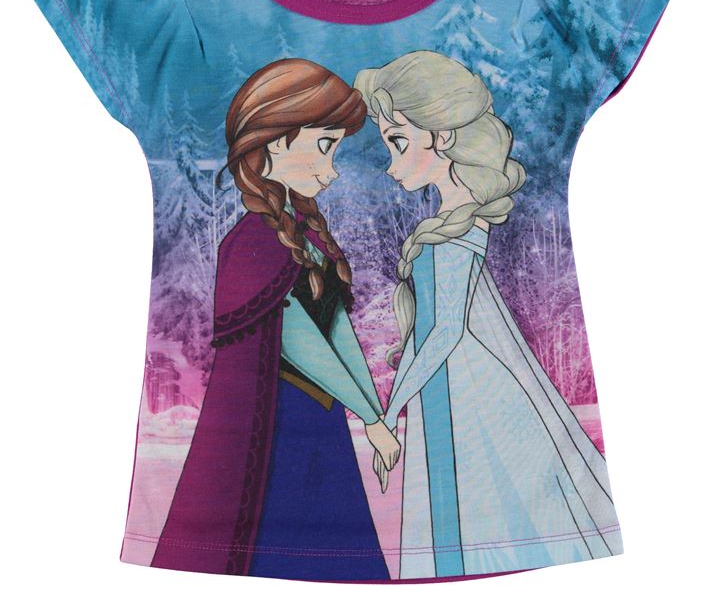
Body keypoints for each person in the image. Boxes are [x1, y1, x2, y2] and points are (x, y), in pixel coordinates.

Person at [354, 50, 622, 579]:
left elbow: (444, 331)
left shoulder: (453, 233)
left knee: (473, 501)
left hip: (466, 392)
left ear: (441, 137)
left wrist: (390, 411)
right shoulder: (451, 222)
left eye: (398, 141)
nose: (390, 162)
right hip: (453, 386)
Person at [151, 58, 400, 580]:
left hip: (321, 418)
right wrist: (371, 417)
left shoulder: (307, 233)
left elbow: (336, 328)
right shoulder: (252, 242)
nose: (332, 168)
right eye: (325, 145)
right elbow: (297, 339)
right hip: (271, 432)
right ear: (276, 142)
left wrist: (373, 415)